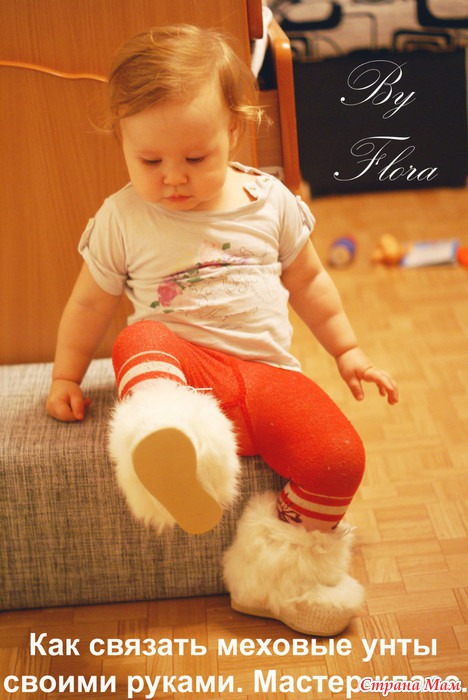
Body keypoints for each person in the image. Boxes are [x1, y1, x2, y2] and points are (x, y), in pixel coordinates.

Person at [46, 24, 398, 636]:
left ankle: (278, 578)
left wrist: (349, 350)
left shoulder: (271, 202)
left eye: (195, 158)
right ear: (121, 139)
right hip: (184, 373)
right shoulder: (122, 217)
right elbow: (88, 305)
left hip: (267, 382)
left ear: (234, 129)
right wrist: (64, 377)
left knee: (340, 457)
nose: (172, 177)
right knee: (138, 340)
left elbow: (311, 283)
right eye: (149, 161)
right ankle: (165, 440)